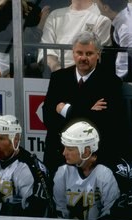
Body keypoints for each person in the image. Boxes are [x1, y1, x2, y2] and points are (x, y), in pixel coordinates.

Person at [42, 30, 125, 179]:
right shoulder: (58, 78)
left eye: (89, 54)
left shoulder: (111, 82)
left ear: (98, 54)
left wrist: (66, 110)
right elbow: (48, 117)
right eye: (79, 53)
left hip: (93, 160)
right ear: (73, 53)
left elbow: (106, 123)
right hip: (59, 154)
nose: (83, 58)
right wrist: (88, 110)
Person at [53, 121, 120, 220]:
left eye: (70, 149)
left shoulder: (105, 174)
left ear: (86, 151)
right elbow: (60, 212)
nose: (64, 153)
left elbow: (110, 215)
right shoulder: (62, 172)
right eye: (65, 148)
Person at [37, 0, 112, 75]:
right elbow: (46, 50)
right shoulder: (55, 15)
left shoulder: (102, 17)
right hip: (53, 76)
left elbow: (100, 57)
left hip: (87, 78)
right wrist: (57, 69)